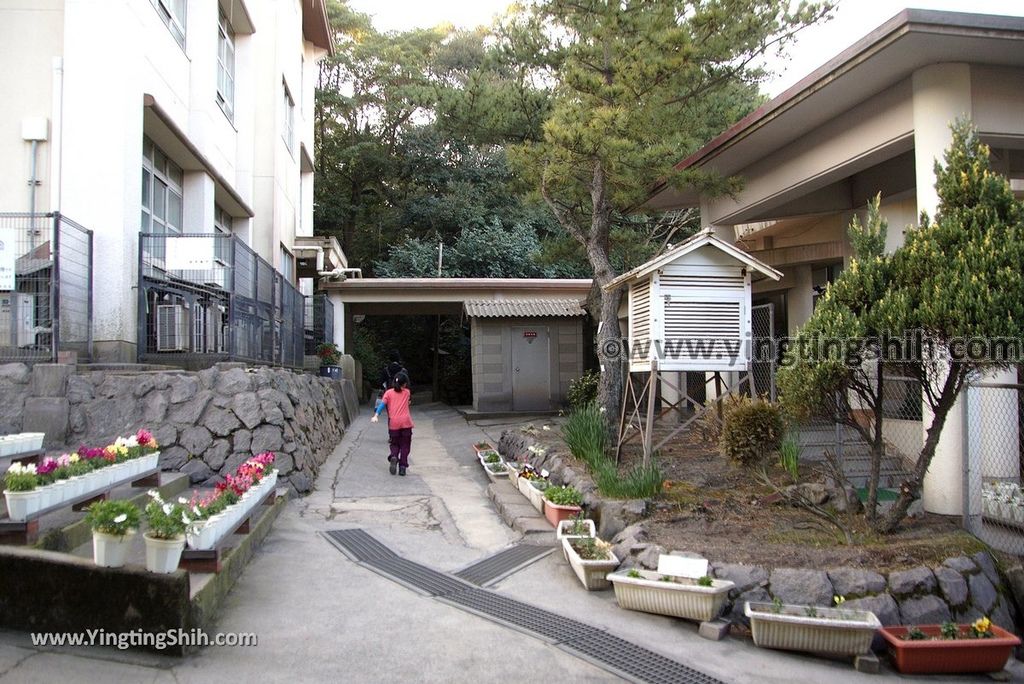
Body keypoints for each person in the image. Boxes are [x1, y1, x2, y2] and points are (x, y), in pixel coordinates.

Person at [371, 371, 413, 476]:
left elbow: (382, 405)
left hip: (394, 423)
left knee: (395, 443)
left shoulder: (388, 393)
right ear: (405, 384)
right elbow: (408, 402)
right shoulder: (407, 393)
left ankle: (394, 456)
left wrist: (376, 415)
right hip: (406, 423)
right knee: (405, 445)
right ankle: (402, 467)